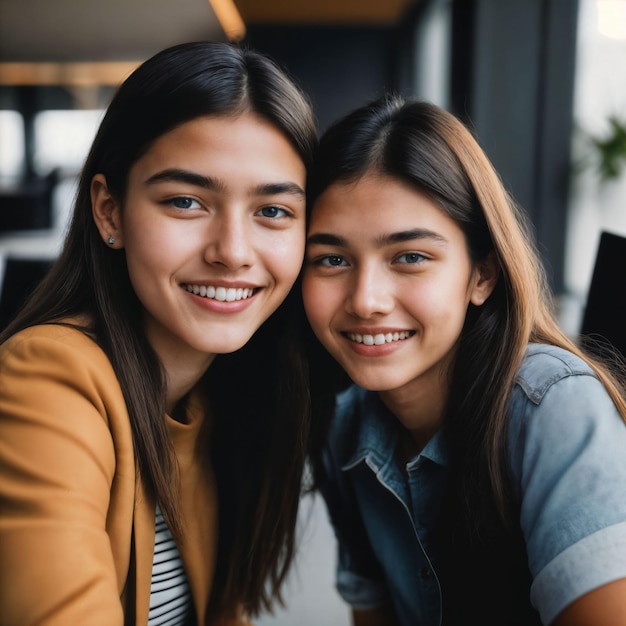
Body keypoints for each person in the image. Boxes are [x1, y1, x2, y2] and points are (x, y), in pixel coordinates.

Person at [0, 41, 317, 625]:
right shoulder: (47, 376)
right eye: (187, 201)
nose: (233, 252)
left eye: (272, 212)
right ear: (110, 211)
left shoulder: (226, 400)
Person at [302, 95, 626, 626]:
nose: (365, 300)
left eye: (410, 257)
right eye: (332, 259)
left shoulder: (552, 406)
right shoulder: (342, 429)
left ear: (482, 275)